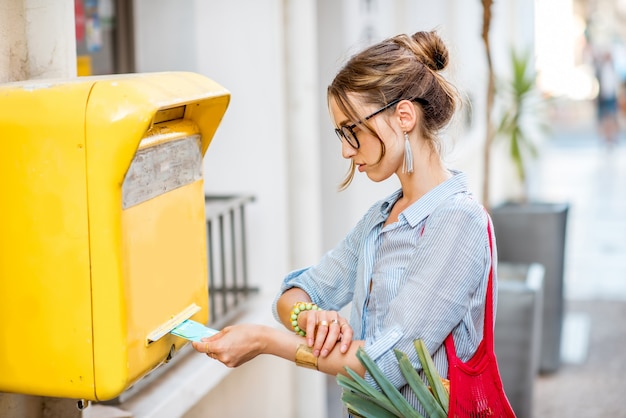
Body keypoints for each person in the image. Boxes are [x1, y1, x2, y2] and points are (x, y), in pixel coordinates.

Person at [192, 30, 497, 413]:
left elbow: (385, 366)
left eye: (353, 130)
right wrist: (312, 317)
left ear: (404, 116)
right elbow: (296, 292)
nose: (345, 150)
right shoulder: (381, 219)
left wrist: (266, 341)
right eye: (341, 133)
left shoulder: (457, 220)